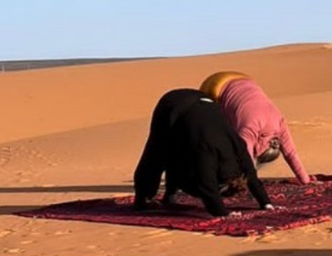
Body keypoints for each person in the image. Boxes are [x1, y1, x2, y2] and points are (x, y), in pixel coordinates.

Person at [133, 89, 273, 218]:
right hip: (171, 105)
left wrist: (265, 203)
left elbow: (251, 174)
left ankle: (170, 194)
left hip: (202, 103)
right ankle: (143, 198)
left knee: (182, 154)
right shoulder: (207, 151)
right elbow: (206, 181)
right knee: (158, 151)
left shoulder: (237, 144)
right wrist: (221, 212)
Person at [198, 71, 311, 182]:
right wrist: (251, 181)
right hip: (215, 87)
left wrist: (305, 179)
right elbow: (245, 155)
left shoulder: (280, 124)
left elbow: (291, 153)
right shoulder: (250, 128)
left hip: (246, 80)